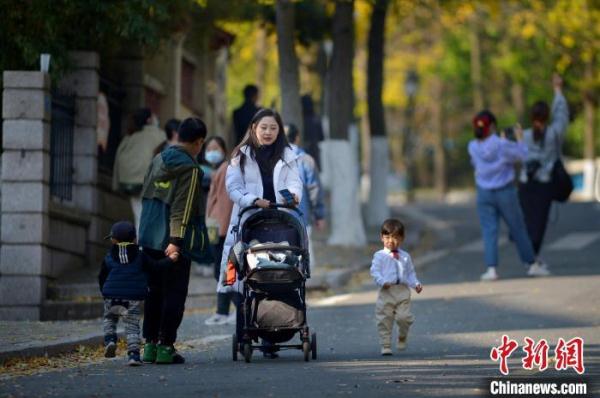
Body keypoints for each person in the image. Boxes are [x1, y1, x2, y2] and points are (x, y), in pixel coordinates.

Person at [220, 108, 303, 358]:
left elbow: (294, 182)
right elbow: (233, 188)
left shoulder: (288, 154)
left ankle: (272, 338)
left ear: (279, 131)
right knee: (246, 281)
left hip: (280, 221)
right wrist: (254, 200)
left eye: (273, 128)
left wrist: (293, 196)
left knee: (278, 275)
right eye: (264, 127)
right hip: (250, 221)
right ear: (254, 127)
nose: (268, 132)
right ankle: (246, 333)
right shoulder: (239, 156)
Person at [137, 117, 208, 364]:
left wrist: (143, 234)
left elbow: (145, 196)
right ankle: (166, 347)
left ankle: (149, 346)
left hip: (148, 237)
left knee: (153, 292)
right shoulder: (190, 168)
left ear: (178, 136)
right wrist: (176, 241)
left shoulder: (158, 159)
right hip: (173, 241)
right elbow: (183, 207)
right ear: (199, 142)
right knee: (174, 294)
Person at [468, 110, 544, 281]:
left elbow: (475, 163)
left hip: (483, 192)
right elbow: (523, 155)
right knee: (517, 228)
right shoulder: (501, 144)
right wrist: (519, 139)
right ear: (493, 126)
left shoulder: (472, 146)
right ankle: (531, 264)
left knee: (489, 231)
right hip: (505, 191)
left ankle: (491, 269)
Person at [98, 221, 179, 366]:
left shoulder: (109, 256)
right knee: (132, 327)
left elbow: (102, 276)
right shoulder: (140, 255)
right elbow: (156, 267)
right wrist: (170, 260)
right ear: (135, 239)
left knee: (110, 319)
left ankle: (110, 340)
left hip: (111, 296)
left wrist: (104, 292)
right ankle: (134, 356)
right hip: (132, 298)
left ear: (113, 240)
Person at [518, 74, 569, 273]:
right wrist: (557, 90)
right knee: (539, 225)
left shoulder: (525, 136)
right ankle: (533, 261)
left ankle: (531, 259)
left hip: (525, 185)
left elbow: (518, 156)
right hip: (544, 184)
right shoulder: (554, 134)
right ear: (547, 117)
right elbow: (562, 115)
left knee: (529, 222)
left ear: (532, 117)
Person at [370, 219, 422, 356]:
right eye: (387, 237)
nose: (391, 241)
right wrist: (382, 281)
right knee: (384, 318)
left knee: (404, 317)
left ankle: (402, 335)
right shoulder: (379, 256)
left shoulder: (405, 257)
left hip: (402, 291)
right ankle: (385, 345)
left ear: (402, 238)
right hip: (386, 291)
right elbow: (375, 271)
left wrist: (415, 284)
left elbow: (410, 273)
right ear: (382, 237)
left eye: (395, 237)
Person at [113, 108, 166, 229]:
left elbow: (117, 160)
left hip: (130, 183)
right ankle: (147, 245)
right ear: (149, 120)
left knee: (138, 216)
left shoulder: (129, 137)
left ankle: (142, 245)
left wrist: (116, 184)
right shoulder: (159, 135)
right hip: (150, 183)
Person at [202, 137, 236, 326]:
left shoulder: (225, 170)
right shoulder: (219, 170)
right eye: (208, 148)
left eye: (215, 148)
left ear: (223, 150)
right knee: (222, 272)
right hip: (218, 228)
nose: (211, 151)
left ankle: (239, 308)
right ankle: (222, 311)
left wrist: (220, 231)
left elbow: (224, 204)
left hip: (221, 230)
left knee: (223, 272)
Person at [285, 123, 326, 272]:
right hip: (303, 214)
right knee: (304, 249)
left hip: (280, 216)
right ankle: (304, 278)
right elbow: (314, 189)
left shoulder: (274, 159)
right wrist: (319, 215)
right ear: (297, 138)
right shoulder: (306, 160)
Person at [301, 94, 325, 169]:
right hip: (314, 151)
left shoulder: (300, 120)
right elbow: (322, 137)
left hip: (303, 151)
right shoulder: (316, 119)